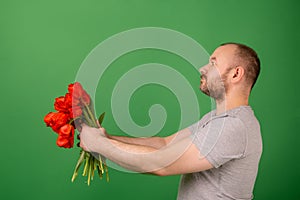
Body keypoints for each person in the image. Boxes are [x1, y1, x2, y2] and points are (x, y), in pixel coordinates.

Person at [79, 43, 263, 200]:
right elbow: (165, 143)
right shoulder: (216, 119)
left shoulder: (233, 126)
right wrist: (107, 137)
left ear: (236, 74)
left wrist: (98, 143)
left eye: (213, 63)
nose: (203, 68)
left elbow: (162, 164)